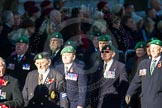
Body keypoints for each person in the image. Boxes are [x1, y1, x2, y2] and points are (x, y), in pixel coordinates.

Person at [125, 39, 162, 108]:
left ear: (160, 49)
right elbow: (136, 81)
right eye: (151, 48)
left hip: (158, 101)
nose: (152, 50)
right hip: (144, 101)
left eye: (155, 48)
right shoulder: (143, 63)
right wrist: (129, 93)